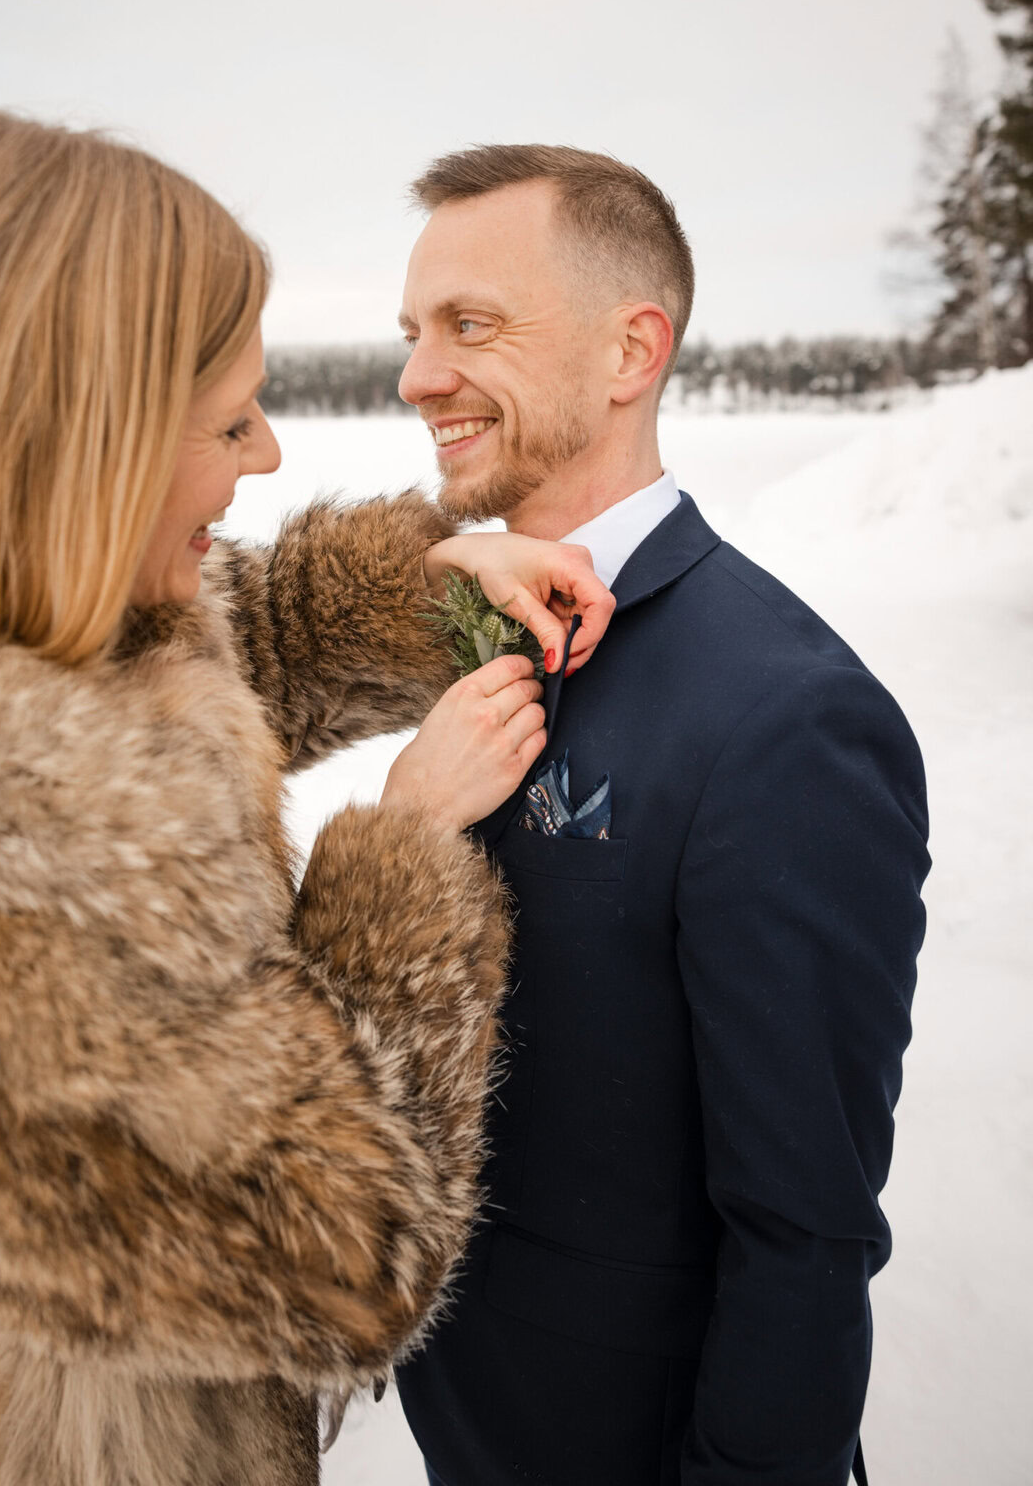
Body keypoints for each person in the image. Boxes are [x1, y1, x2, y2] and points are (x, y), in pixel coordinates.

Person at [0, 112, 615, 1486]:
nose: (264, 459)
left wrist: (424, 594)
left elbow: (224, 639)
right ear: (72, 453)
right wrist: (405, 857)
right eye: (226, 421)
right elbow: (337, 1256)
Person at [393, 144, 930, 1486]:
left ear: (634, 351)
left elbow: (802, 1240)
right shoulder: (477, 633)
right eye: (411, 334)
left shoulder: (785, 716)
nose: (416, 377)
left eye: (471, 325)